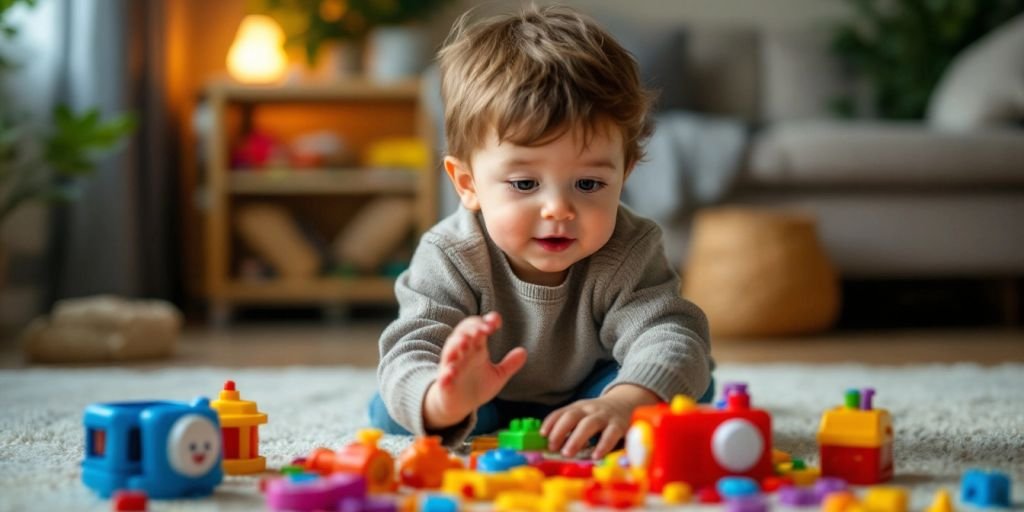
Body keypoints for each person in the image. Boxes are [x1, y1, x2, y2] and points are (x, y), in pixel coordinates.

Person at [370, 4, 712, 459]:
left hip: (591, 389)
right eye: (525, 184)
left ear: (624, 174)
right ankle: (457, 404)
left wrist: (623, 401)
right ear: (468, 184)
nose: (558, 209)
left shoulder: (631, 246)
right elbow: (413, 343)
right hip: (481, 392)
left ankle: (602, 411)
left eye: (589, 184)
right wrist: (444, 396)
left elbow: (668, 332)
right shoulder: (450, 252)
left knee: (689, 385)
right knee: (394, 407)